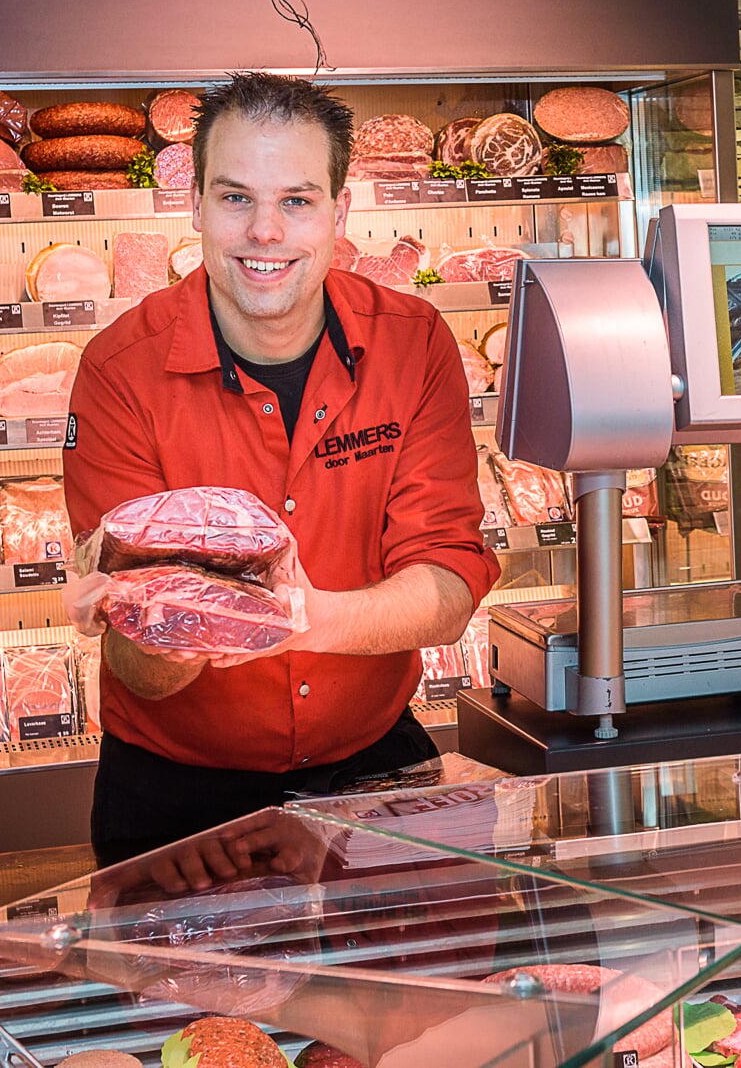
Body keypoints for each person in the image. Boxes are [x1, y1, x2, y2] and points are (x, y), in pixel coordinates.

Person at [63, 73, 499, 867]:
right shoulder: (119, 370)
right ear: (193, 205)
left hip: (375, 767)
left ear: (340, 212)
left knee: (408, 993)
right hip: (176, 797)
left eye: (296, 200)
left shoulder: (415, 343)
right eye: (236, 198)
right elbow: (138, 668)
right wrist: (147, 621)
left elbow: (445, 584)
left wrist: (292, 616)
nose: (265, 231)